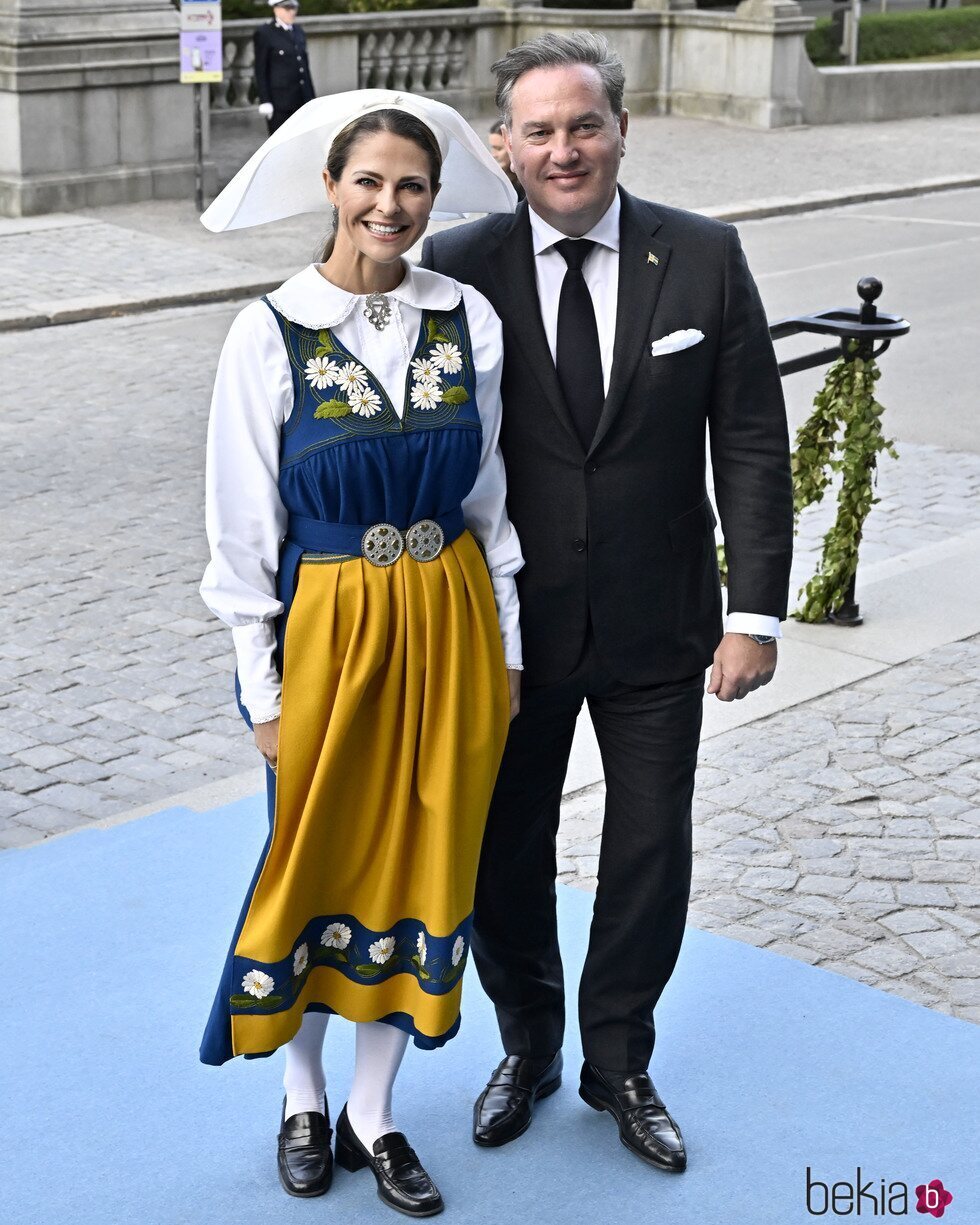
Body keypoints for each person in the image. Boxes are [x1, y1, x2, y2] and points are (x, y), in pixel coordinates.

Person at [422, 32, 794, 1172]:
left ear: (620, 129)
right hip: (508, 634)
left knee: (648, 847)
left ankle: (617, 1058)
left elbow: (746, 438)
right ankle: (526, 1044)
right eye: (537, 130)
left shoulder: (701, 255)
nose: (563, 148)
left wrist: (754, 612)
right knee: (502, 850)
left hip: (656, 622)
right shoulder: (456, 264)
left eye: (583, 124)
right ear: (503, 145)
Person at [198, 90, 521, 1215]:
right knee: (312, 855)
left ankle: (371, 1115)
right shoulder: (270, 329)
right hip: (328, 629)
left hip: (449, 620)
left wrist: (508, 651)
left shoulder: (466, 320)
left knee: (424, 858)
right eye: (369, 181)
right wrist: (262, 690)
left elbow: (488, 498)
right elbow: (241, 537)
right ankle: (298, 1094)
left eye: (412, 186)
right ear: (331, 188)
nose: (389, 205)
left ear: (433, 198)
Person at [253, 0, 314, 135]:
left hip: (301, 101)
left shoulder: (298, 31)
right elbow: (261, 69)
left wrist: (310, 98)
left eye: (294, 8)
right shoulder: (265, 33)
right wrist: (265, 100)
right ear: (276, 9)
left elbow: (304, 69)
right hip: (279, 103)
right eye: (288, 8)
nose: (292, 12)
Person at [488, 118, 524, 199]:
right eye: (492, 148)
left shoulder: (527, 186)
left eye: (498, 148)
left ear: (510, 146)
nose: (493, 155)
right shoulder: (499, 181)